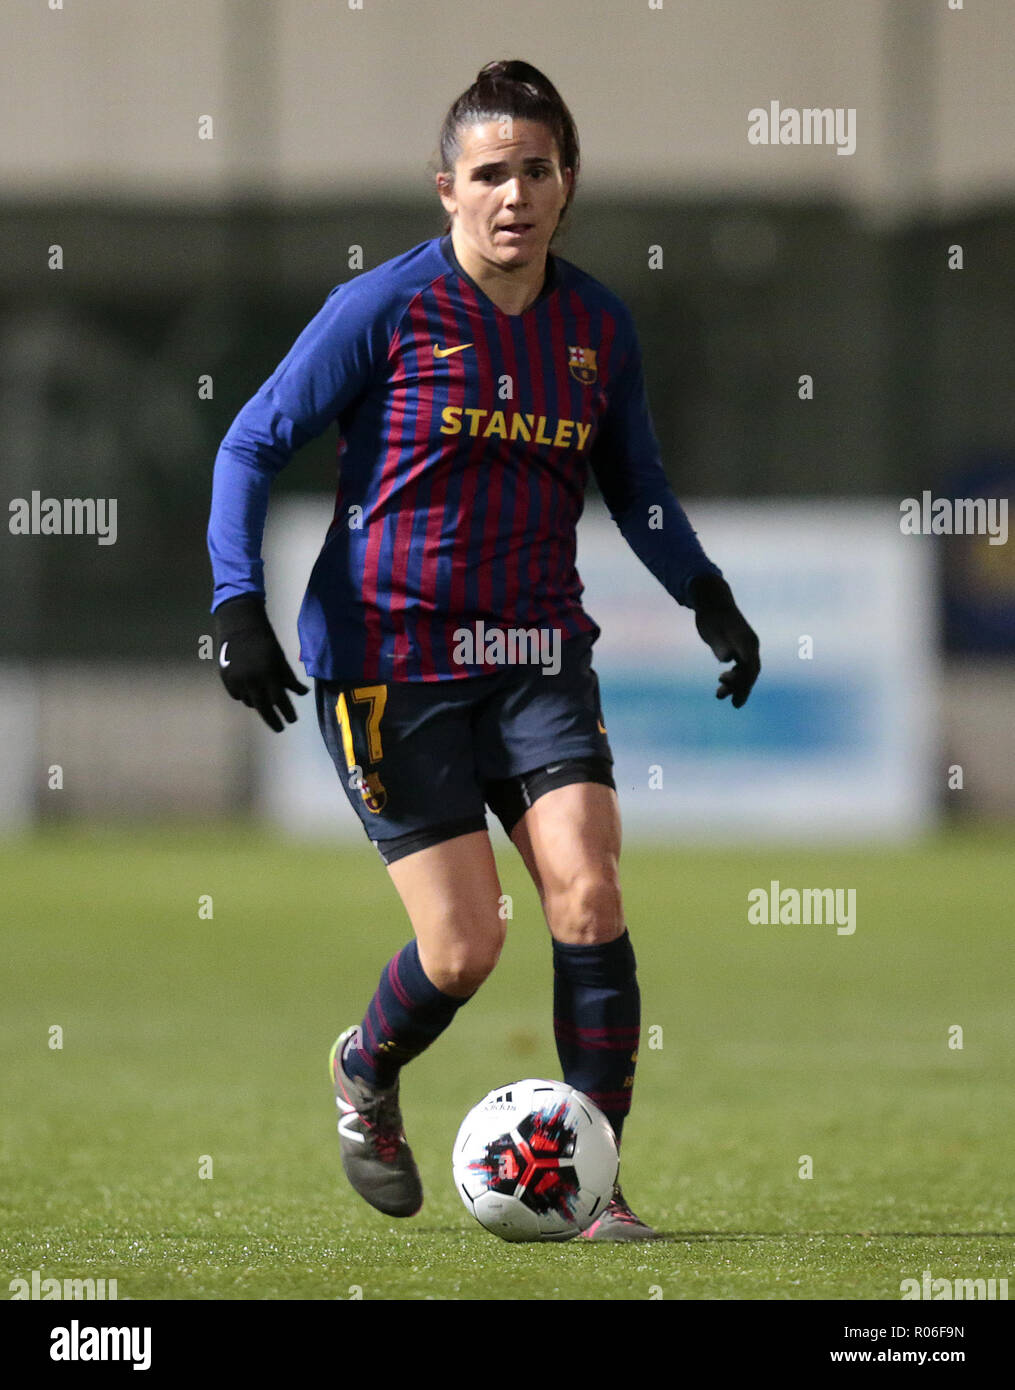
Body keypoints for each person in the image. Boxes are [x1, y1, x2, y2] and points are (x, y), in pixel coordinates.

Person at [207, 59, 760, 1241]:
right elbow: (250, 444)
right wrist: (234, 604)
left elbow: (638, 486)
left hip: (535, 654)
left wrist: (707, 595)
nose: (514, 193)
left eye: (537, 169)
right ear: (446, 189)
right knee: (462, 949)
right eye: (489, 173)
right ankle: (366, 1066)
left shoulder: (595, 325)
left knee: (590, 892)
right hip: (388, 662)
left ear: (569, 183)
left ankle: (594, 1187)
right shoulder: (387, 310)